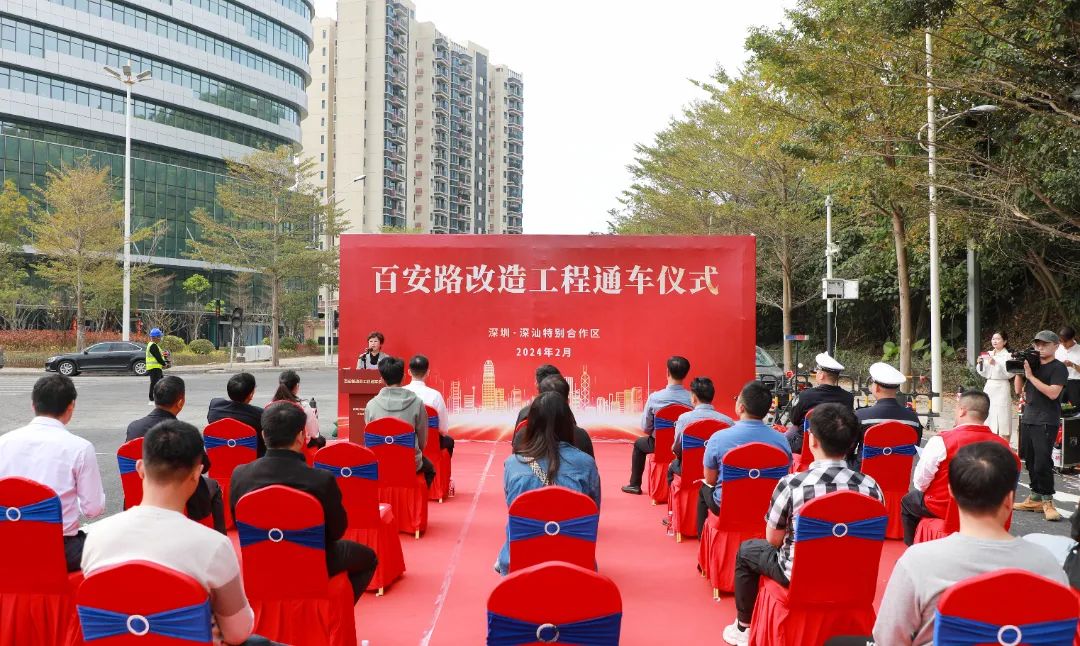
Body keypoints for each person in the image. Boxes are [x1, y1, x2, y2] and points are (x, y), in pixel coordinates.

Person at [872, 442, 1068, 645]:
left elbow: (888, 638)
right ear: (1010, 499)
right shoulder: (1047, 564)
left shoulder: (918, 562)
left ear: (951, 492)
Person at [81, 420, 255, 645]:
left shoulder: (96, 538)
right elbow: (238, 632)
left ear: (140, 468)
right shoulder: (213, 546)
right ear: (197, 473)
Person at [722, 403, 883, 646]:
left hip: (798, 577)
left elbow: (773, 539)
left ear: (812, 441)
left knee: (747, 551)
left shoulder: (792, 484)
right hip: (852, 576)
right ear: (852, 444)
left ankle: (743, 627)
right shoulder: (872, 486)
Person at [230, 402, 378, 602]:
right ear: (301, 436)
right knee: (369, 558)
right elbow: (336, 531)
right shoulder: (320, 479)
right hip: (313, 558)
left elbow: (239, 523)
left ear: (263, 435)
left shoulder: (240, 475)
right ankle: (334, 610)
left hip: (262, 559)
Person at [0, 374, 104, 571]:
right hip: (59, 548)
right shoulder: (80, 448)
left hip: (7, 543)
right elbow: (93, 509)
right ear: (71, 406)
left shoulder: (3, 443)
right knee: (107, 548)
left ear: (33, 405)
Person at [496, 392, 601, 575]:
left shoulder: (513, 464)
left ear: (531, 424)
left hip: (521, 563)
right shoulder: (586, 464)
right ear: (568, 424)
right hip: (575, 563)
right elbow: (593, 512)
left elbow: (513, 509)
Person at [899, 390, 1015, 544]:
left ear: (962, 411)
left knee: (908, 502)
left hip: (943, 508)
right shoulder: (1005, 446)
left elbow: (920, 483)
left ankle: (912, 549)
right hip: (991, 508)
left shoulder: (942, 441)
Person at [126, 375, 225, 533]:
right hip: (179, 495)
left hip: (141, 490)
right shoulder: (185, 432)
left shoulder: (134, 427)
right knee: (213, 485)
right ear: (180, 402)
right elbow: (204, 466)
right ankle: (219, 536)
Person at [696, 381, 791, 536]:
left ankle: (703, 544)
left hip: (727, 507)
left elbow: (710, 480)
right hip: (769, 506)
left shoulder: (718, 438)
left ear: (741, 407)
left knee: (703, 490)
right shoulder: (782, 440)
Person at [1013, 330, 1068, 521]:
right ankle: (1035, 498)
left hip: (1046, 419)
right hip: (1028, 416)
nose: (1040, 347)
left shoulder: (1059, 368)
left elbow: (1053, 393)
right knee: (1029, 461)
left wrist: (1031, 376)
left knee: (1043, 462)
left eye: (1045, 344)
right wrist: (1020, 371)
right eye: (1037, 344)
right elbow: (1018, 390)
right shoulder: (1033, 365)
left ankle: (1048, 500)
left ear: (1056, 346)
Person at [622, 356, 692, 495]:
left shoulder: (655, 398)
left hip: (659, 445)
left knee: (639, 444)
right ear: (685, 374)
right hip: (686, 446)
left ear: (667, 372)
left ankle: (634, 485)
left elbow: (645, 427)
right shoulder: (692, 398)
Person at [365, 355, 434, 487]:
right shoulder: (417, 403)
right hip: (410, 463)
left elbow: (370, 436)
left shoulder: (371, 405)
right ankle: (414, 496)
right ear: (403, 377)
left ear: (381, 379)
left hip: (379, 462)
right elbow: (422, 439)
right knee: (430, 469)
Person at [852, 362, 923, 468]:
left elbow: (848, 449)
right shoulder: (913, 419)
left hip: (864, 475)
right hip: (899, 475)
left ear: (876, 388)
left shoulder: (860, 416)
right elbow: (913, 450)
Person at [668, 376, 734, 484]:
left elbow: (677, 449)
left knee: (672, 467)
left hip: (689, 469)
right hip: (716, 471)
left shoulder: (684, 419)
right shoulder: (728, 422)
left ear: (693, 398)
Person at [784, 352, 854, 453]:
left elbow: (794, 419)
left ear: (821, 375)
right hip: (836, 445)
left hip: (805, 447)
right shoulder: (848, 398)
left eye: (817, 372)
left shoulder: (805, 396)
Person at [513, 374, 595, 458]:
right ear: (567, 401)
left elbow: (514, 462)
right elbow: (589, 465)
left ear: (539, 399)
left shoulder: (523, 435)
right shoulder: (581, 436)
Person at [404, 354, 454, 456]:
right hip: (429, 444)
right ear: (428, 373)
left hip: (403, 443)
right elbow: (443, 430)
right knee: (449, 441)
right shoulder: (435, 395)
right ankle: (438, 465)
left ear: (409, 372)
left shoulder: (400, 393)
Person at [208, 372, 266, 457]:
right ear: (251, 395)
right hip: (250, 461)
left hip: (220, 458)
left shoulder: (215, 406)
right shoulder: (259, 414)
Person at [270, 370, 324, 450]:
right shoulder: (303, 406)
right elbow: (314, 433)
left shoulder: (270, 406)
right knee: (321, 440)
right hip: (298, 448)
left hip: (275, 447)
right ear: (296, 386)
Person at [975, 331, 1015, 439]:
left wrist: (995, 364)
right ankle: (988, 437)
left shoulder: (1008, 356)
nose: (995, 341)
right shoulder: (988, 354)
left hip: (1002, 385)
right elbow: (983, 372)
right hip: (989, 385)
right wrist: (980, 364)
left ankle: (1003, 439)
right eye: (993, 339)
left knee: (1002, 413)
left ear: (1004, 341)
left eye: (998, 339)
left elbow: (1010, 373)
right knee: (989, 411)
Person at [1055, 325, 1080, 409]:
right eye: (1061, 341)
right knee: (1057, 408)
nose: (1063, 344)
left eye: (1065, 341)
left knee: (1076, 409)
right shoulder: (1057, 349)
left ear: (1073, 338)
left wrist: (1072, 365)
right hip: (1058, 382)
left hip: (1075, 383)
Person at [145, 327, 168, 404]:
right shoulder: (153, 345)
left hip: (156, 368)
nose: (160, 338)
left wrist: (164, 357)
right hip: (154, 368)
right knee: (154, 384)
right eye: (159, 337)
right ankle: (151, 400)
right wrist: (164, 363)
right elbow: (157, 357)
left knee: (161, 383)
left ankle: (160, 398)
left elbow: (159, 355)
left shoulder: (153, 345)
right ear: (155, 337)